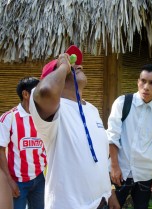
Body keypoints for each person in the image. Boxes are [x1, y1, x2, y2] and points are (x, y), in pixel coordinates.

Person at [29, 45, 120, 209]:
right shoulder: (54, 111)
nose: (77, 65)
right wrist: (63, 66)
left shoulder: (92, 109)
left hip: (102, 202)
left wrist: (110, 191)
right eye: (72, 64)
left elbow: (98, 157)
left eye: (77, 63)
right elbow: (46, 91)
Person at [107, 64, 152, 209]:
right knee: (112, 207)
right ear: (138, 81)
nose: (146, 86)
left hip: (145, 173)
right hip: (119, 171)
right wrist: (114, 166)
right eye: (143, 81)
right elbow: (112, 136)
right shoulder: (123, 102)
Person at [0, 76, 46, 209]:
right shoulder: (9, 118)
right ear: (25, 94)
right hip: (18, 181)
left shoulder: (43, 118)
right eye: (38, 91)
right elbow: (1, 150)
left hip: (39, 178)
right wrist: (9, 181)